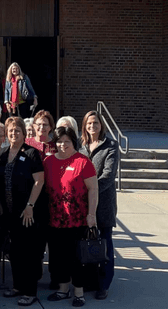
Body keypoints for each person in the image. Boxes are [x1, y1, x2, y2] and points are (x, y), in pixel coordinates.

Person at [43, 127, 98, 307]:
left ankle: (79, 292)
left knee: (77, 257)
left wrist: (91, 214)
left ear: (73, 141)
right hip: (55, 219)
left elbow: (93, 189)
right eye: (59, 141)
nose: (63, 145)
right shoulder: (48, 162)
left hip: (78, 219)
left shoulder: (83, 162)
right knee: (58, 257)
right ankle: (63, 289)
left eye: (67, 141)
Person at [0, 116, 45, 306]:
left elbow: (39, 181)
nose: (13, 133)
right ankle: (17, 286)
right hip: (8, 213)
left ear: (24, 133)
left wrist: (30, 206)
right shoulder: (3, 153)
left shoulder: (32, 153)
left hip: (27, 213)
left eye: (17, 130)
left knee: (28, 253)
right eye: (10, 131)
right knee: (14, 251)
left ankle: (30, 291)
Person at [78, 111, 119, 300]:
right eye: (89, 123)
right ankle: (91, 281)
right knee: (88, 244)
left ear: (101, 125)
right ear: (85, 126)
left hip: (103, 205)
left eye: (95, 122)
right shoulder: (81, 146)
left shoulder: (110, 146)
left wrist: (89, 191)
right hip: (83, 205)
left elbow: (108, 176)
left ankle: (104, 284)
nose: (92, 126)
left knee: (105, 246)